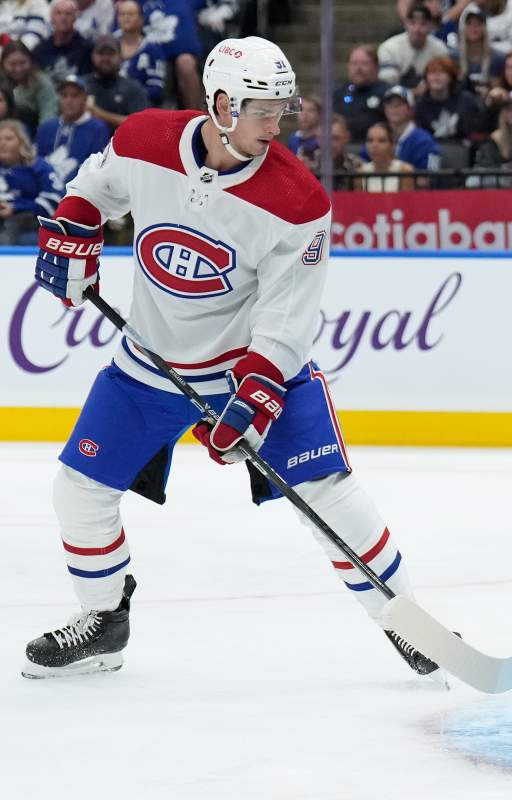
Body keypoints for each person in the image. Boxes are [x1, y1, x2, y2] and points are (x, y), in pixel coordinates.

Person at [24, 36, 441, 680]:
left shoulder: (298, 201)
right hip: (150, 365)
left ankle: (407, 621)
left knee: (330, 492)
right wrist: (72, 229)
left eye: (282, 109)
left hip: (250, 369)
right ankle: (104, 619)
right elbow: (95, 188)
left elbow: (285, 319)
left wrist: (257, 391)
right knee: (77, 491)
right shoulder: (143, 139)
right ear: (219, 103)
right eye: (260, 110)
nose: (275, 125)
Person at [35, 73, 110, 183]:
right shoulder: (46, 127)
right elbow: (37, 161)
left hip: (79, 190)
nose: (69, 100)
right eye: (64, 95)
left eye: (75, 96)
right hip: (45, 187)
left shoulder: (98, 129)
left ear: (85, 99)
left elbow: (94, 169)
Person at [0, 117, 61, 243]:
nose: (2, 143)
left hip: (31, 226)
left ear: (22, 142)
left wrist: (17, 207)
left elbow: (55, 198)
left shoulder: (39, 166)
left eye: (8, 139)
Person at [138, 0, 204, 108]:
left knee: (185, 62)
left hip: (187, 55)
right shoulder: (138, 3)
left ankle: (195, 117)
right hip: (150, 56)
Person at [83, 34, 150, 133]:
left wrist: (99, 114)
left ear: (120, 57)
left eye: (110, 54)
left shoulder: (133, 88)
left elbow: (141, 124)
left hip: (120, 145)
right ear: (92, 56)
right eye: (101, 54)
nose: (105, 58)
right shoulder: (81, 86)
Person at [378, 4, 451, 88]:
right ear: (405, 24)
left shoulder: (440, 49)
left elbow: (445, 81)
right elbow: (387, 84)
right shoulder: (388, 48)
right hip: (396, 97)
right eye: (413, 23)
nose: (417, 29)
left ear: (430, 26)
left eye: (423, 24)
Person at [414, 55, 486, 141]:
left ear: (451, 77)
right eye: (432, 72)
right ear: (426, 78)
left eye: (442, 72)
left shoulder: (466, 100)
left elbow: (477, 129)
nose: (437, 76)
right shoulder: (420, 105)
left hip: (463, 149)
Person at [116, 0, 168, 106]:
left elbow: (156, 88)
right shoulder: (110, 44)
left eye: (131, 14)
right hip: (111, 101)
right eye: (122, 14)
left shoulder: (152, 49)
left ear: (141, 19)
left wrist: (131, 97)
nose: (126, 17)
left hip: (141, 105)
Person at [1, 41, 58, 135]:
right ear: (3, 63)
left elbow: (48, 116)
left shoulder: (42, 83)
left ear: (30, 61)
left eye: (23, 63)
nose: (18, 69)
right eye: (12, 64)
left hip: (32, 132)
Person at [337, 45, 390, 145]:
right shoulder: (339, 94)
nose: (358, 68)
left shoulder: (387, 94)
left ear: (376, 67)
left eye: (364, 63)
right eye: (354, 63)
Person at [383, 84, 441, 172]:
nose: (394, 108)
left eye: (399, 104)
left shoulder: (424, 141)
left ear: (411, 109)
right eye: (390, 104)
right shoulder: (378, 136)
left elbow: (429, 178)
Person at [32, 0, 93, 83]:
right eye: (58, 13)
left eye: (68, 14)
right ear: (51, 18)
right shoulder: (40, 50)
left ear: (75, 18)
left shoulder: (87, 49)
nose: (63, 18)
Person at [456, 2, 505, 96]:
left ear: (484, 28)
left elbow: (497, 88)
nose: (473, 28)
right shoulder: (454, 56)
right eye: (469, 24)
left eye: (478, 24)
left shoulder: (497, 57)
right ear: (464, 28)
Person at [357, 121, 410, 192]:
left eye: (381, 141)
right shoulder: (360, 173)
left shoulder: (404, 170)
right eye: (370, 140)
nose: (374, 145)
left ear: (392, 145)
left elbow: (407, 202)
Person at [286, 94, 320, 158]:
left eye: (310, 110)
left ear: (319, 114)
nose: (305, 115)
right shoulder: (293, 139)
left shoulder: (322, 141)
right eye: (301, 110)